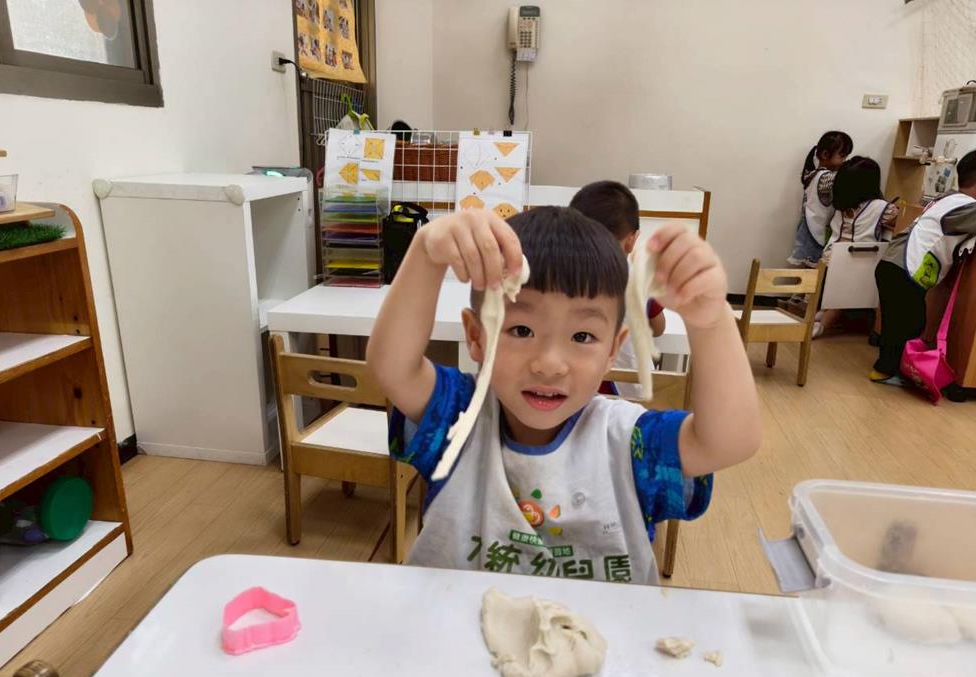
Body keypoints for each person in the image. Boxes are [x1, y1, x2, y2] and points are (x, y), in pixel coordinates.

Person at [366, 206, 760, 585]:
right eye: (521, 330)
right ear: (476, 337)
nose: (550, 364)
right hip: (460, 625)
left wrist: (711, 320)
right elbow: (393, 368)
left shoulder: (631, 443)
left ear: (612, 350)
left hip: (595, 630)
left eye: (582, 336)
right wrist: (425, 253)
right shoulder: (457, 416)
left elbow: (729, 441)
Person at [872, 146, 976, 387]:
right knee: (907, 324)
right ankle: (885, 370)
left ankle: (890, 367)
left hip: (895, 265)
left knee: (898, 322)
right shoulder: (969, 209)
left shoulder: (949, 198)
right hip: (904, 269)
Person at [568, 180, 666, 398]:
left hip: (576, 389)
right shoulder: (639, 278)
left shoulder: (560, 276)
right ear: (631, 240)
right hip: (629, 392)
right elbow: (659, 328)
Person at [814, 156, 899, 337]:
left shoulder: (842, 203)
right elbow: (898, 221)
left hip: (830, 256)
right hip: (856, 260)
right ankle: (823, 325)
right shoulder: (882, 208)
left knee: (838, 290)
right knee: (844, 295)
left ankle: (821, 314)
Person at [788, 131, 854, 268]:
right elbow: (845, 182)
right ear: (824, 155)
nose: (844, 161)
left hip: (809, 229)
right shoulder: (826, 177)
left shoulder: (813, 174)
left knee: (808, 272)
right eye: (842, 156)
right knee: (813, 274)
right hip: (816, 231)